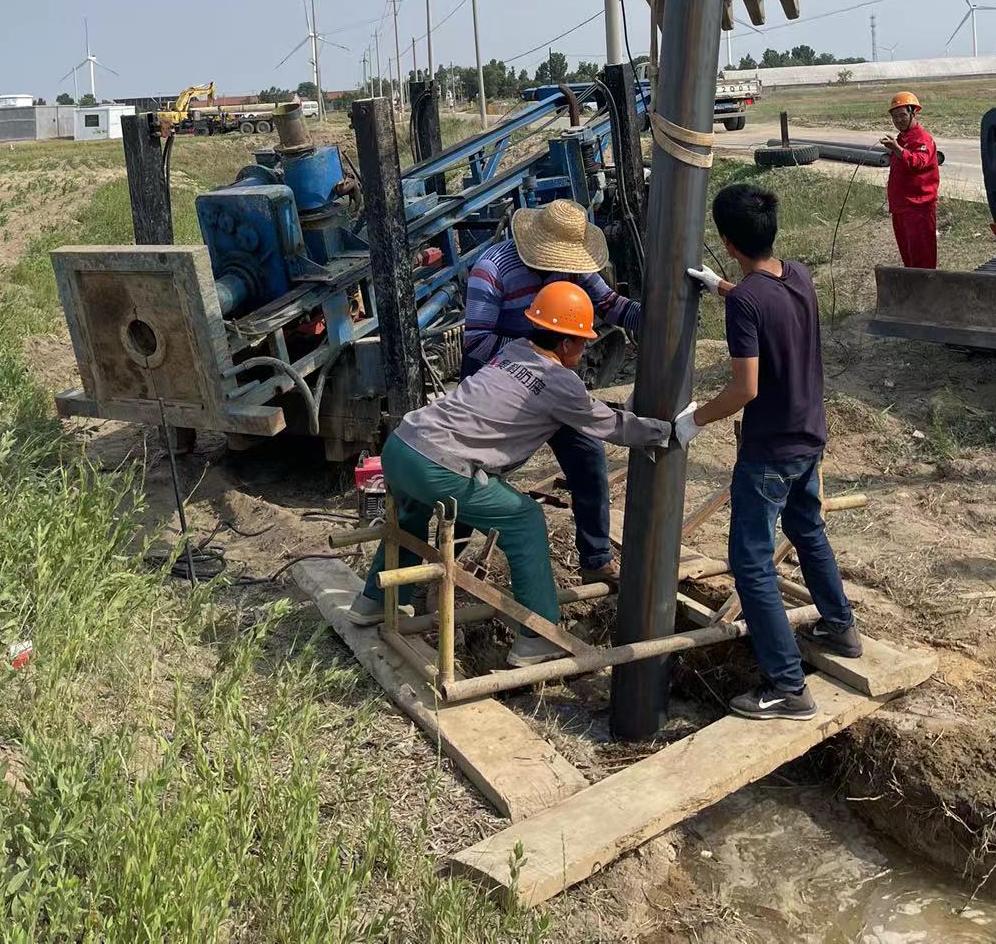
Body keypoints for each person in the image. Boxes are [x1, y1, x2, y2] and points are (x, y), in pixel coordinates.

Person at [347, 281, 672, 665]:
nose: (584, 351)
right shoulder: (559, 381)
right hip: (439, 466)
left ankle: (375, 601)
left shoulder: (512, 351)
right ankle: (538, 636)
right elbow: (612, 427)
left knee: (410, 517)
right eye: (583, 342)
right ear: (567, 344)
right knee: (525, 520)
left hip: (402, 447)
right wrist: (667, 430)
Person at [684, 183, 860, 721]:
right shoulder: (799, 275)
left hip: (770, 452)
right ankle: (840, 627)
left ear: (726, 240)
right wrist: (722, 287)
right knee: (808, 530)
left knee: (751, 564)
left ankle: (787, 687)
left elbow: (745, 388)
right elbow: (762, 302)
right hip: (810, 435)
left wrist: (694, 420)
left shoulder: (745, 304)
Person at [461, 198, 641, 587]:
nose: (565, 271)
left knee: (589, 458)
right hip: (498, 386)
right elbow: (476, 342)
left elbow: (609, 305)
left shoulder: (573, 269)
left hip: (553, 381)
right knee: (473, 474)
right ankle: (447, 559)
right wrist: (537, 356)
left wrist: (655, 315)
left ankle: (595, 559)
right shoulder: (492, 271)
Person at [881, 90, 939, 269]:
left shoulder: (922, 139)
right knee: (909, 258)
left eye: (902, 115)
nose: (898, 120)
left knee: (922, 259)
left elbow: (917, 163)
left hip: (918, 208)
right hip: (901, 208)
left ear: (913, 113)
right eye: (895, 117)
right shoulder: (902, 139)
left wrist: (897, 149)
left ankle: (927, 292)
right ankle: (915, 292)